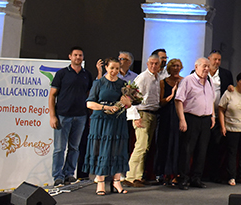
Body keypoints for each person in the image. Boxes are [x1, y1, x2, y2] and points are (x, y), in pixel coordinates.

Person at [84, 57, 133, 195]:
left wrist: (127, 103)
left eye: (117, 69)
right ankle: (100, 182)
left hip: (117, 120)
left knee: (117, 149)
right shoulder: (98, 83)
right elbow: (89, 103)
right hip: (101, 119)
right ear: (106, 68)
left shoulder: (122, 84)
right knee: (101, 149)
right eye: (112, 68)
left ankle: (116, 181)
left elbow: (128, 104)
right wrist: (105, 107)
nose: (114, 71)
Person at [48, 46, 93, 186]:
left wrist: (89, 115)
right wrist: (52, 116)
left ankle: (69, 174)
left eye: (80, 55)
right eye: (75, 55)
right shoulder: (62, 74)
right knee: (59, 148)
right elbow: (52, 95)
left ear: (83, 57)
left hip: (80, 116)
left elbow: (89, 95)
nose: (78, 57)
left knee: (74, 148)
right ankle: (57, 176)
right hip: (63, 116)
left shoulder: (87, 74)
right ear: (70, 57)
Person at [174, 57, 216, 190]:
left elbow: (211, 100)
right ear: (196, 67)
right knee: (187, 150)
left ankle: (196, 178)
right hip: (191, 118)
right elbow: (178, 100)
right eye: (204, 66)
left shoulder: (209, 81)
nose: (206, 69)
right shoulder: (188, 81)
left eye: (208, 66)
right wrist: (182, 119)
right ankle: (183, 178)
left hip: (205, 120)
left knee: (202, 150)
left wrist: (213, 116)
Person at [123, 53, 161, 187]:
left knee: (145, 147)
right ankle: (130, 176)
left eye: (156, 63)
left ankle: (138, 176)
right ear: (147, 64)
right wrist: (135, 117)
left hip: (152, 114)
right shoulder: (142, 78)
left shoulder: (157, 78)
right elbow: (130, 98)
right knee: (141, 145)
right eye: (151, 63)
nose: (153, 66)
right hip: (142, 114)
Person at [205, 50, 234, 183]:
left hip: (219, 117)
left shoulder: (226, 74)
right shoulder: (200, 73)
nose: (217, 62)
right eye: (215, 59)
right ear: (209, 59)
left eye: (219, 60)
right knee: (203, 145)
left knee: (217, 146)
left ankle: (215, 175)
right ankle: (200, 174)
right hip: (204, 115)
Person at [155, 58, 182, 186]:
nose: (176, 68)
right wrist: (171, 95)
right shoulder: (163, 82)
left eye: (178, 66)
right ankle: (163, 173)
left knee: (178, 144)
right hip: (166, 115)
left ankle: (176, 174)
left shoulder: (184, 81)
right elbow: (161, 101)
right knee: (164, 143)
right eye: (173, 66)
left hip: (179, 115)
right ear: (169, 68)